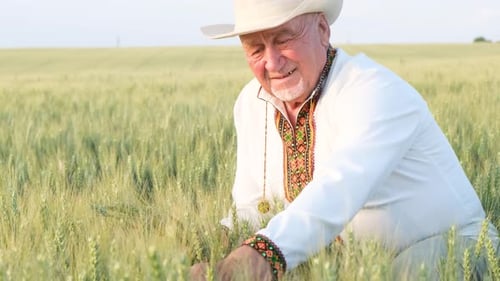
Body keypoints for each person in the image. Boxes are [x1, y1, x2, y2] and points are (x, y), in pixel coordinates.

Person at [192, 0, 499, 280]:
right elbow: (250, 204)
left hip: (450, 247)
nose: (271, 62)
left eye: (283, 39)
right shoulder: (250, 102)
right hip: (350, 264)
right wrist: (207, 251)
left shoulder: (374, 90)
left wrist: (261, 255)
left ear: (322, 30)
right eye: (255, 49)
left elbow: (338, 188)